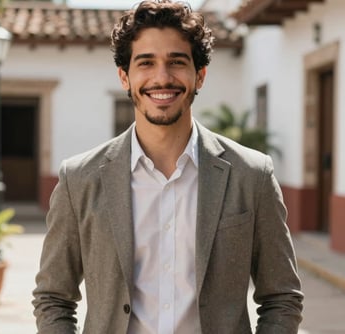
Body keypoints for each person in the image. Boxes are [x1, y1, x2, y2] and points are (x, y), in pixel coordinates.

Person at [32, 1, 304, 333]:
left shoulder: (252, 175)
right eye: (146, 63)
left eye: (177, 62)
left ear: (199, 75)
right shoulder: (79, 179)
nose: (162, 78)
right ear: (125, 77)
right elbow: (53, 298)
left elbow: (282, 298)